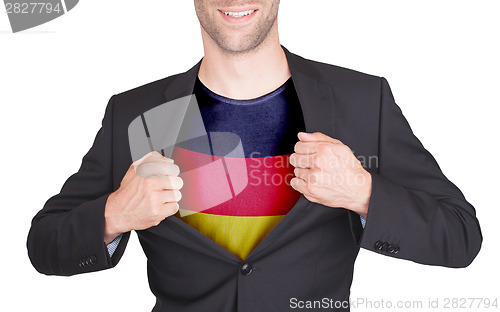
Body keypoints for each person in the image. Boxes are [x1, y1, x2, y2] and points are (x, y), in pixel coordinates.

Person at [27, 1, 482, 311]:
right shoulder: (137, 113)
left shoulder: (362, 101)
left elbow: (460, 236)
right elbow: (44, 245)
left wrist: (363, 192)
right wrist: (114, 214)